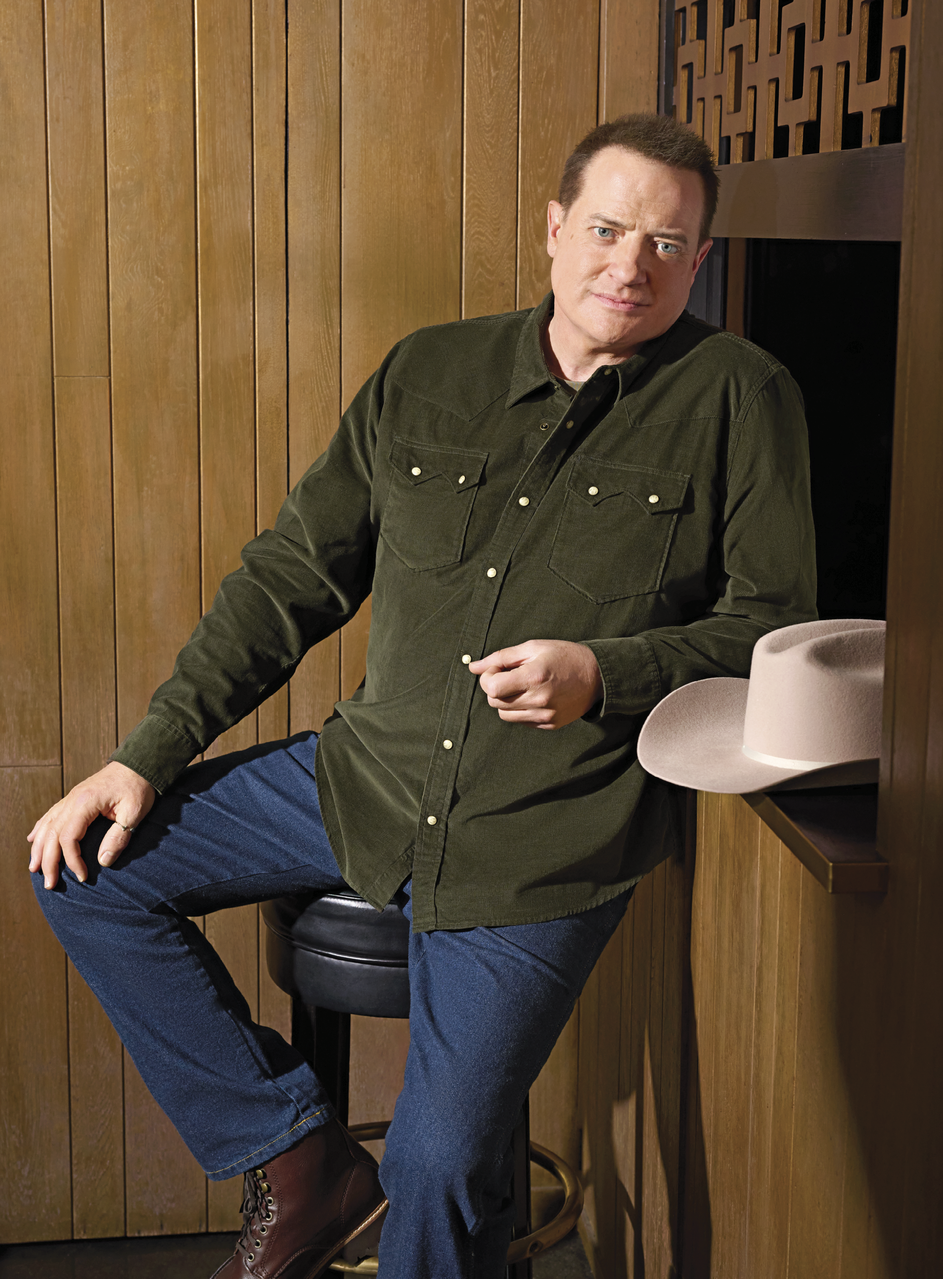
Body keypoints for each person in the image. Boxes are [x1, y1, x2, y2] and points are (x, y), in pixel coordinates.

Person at [28, 113, 816, 1279]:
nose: (628, 264)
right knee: (86, 873)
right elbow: (291, 578)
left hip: (545, 837)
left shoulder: (741, 396)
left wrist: (606, 675)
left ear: (698, 260)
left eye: (664, 243)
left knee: (444, 1167)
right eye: (605, 229)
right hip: (363, 778)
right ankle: (299, 1161)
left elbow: (770, 632)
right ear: (554, 230)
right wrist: (144, 755)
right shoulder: (426, 371)